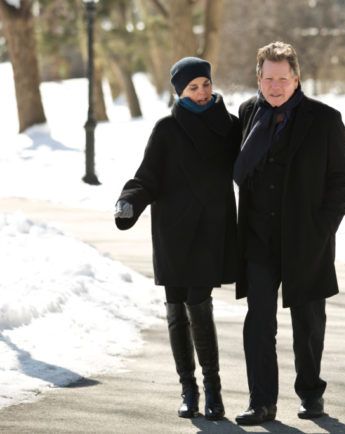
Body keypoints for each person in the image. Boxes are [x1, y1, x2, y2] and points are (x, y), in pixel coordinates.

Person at [233, 41, 345, 425]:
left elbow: (342, 180)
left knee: (308, 323)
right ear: (258, 78)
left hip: (306, 239)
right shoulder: (248, 113)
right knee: (259, 321)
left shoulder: (324, 119)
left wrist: (323, 228)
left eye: (282, 78)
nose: (275, 86)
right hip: (257, 238)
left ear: (296, 78)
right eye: (268, 78)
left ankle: (311, 394)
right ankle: (261, 402)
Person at [114, 57, 240, 421]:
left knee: (199, 306)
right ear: (180, 93)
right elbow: (147, 177)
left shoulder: (230, 127)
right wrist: (128, 201)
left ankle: (214, 390)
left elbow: (250, 167)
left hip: (210, 231)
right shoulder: (166, 129)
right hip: (173, 231)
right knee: (175, 310)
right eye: (193, 88)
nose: (202, 93)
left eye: (205, 84)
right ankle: (188, 388)